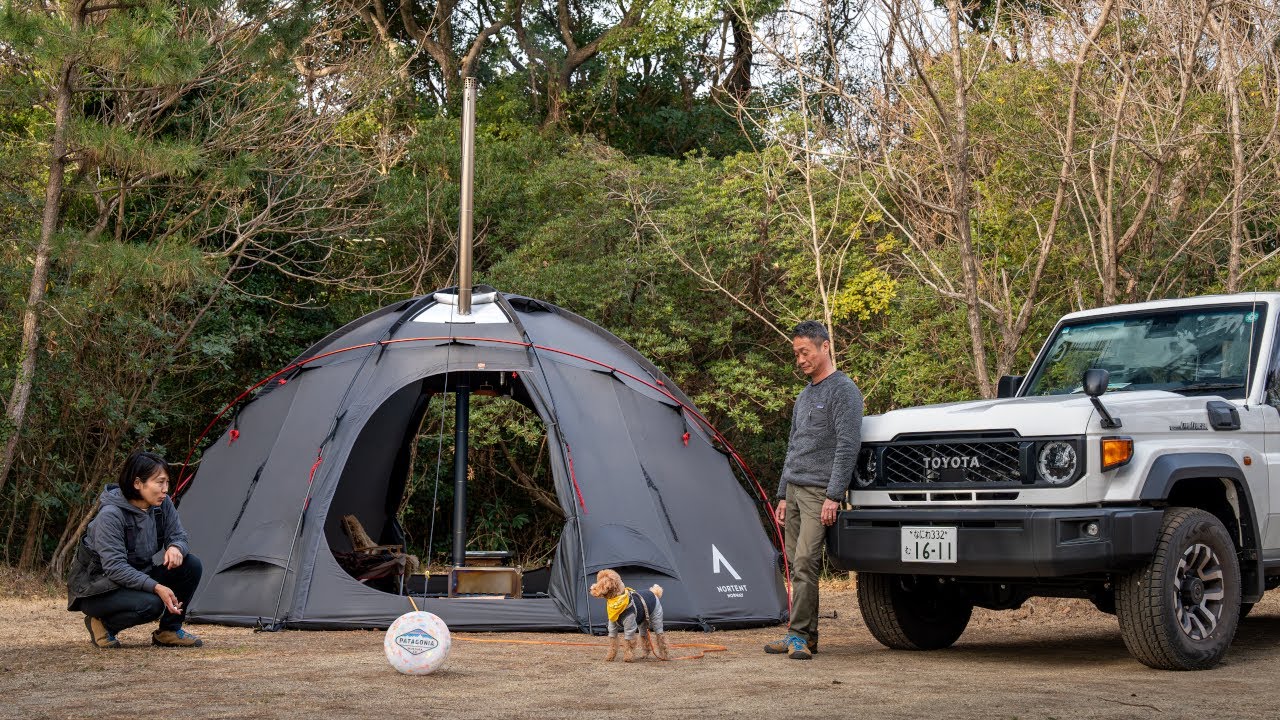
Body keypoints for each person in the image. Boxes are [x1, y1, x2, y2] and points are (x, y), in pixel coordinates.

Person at [764, 320, 862, 660]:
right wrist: (781, 493)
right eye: (796, 354)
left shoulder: (844, 390)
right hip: (793, 488)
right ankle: (804, 635)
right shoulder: (805, 395)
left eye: (805, 352)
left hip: (819, 492)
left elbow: (848, 446)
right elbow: (794, 445)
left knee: (806, 560)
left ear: (825, 347)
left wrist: (834, 495)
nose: (800, 359)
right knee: (794, 563)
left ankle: (797, 635)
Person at [67, 450, 204, 648]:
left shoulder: (162, 503)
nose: (165, 489)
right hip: (98, 588)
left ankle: (169, 631)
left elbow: (179, 535)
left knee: (191, 565)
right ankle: (103, 624)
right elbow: (115, 568)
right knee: (152, 604)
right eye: (159, 482)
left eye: (167, 482)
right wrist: (157, 587)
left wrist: (176, 547)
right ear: (138, 483)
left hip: (138, 575)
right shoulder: (110, 516)